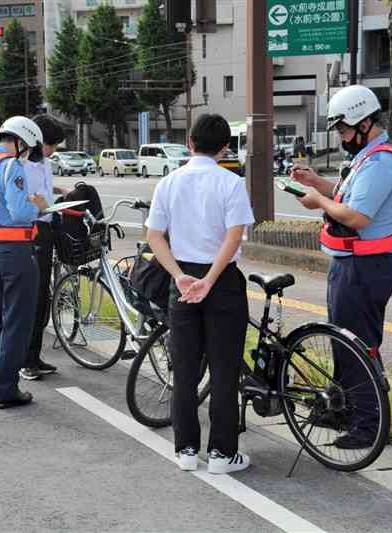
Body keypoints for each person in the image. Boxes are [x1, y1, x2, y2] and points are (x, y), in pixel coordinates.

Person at [291, 84, 392, 449]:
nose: (341, 138)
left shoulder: (380, 162)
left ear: (365, 123)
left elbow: (355, 215)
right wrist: (317, 184)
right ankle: (346, 410)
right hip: (353, 265)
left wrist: (319, 201)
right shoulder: (368, 157)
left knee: (358, 345)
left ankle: (368, 425)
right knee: (346, 341)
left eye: (343, 130)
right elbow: (348, 195)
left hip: (365, 268)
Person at [146, 114, 255, 474]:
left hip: (182, 281)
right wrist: (209, 279)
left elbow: (154, 236)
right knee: (224, 370)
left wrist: (179, 275)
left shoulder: (169, 182)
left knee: (185, 369)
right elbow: (234, 236)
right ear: (225, 147)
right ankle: (223, 454)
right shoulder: (231, 182)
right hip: (221, 281)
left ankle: (187, 450)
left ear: (189, 142)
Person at [0, 116, 49, 409]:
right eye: (28, 149)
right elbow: (19, 213)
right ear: (21, 141)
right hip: (15, 249)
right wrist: (40, 208)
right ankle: (6, 389)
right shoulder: (10, 164)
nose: (27, 155)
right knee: (17, 321)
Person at [18, 114, 68, 381]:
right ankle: (25, 359)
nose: (53, 150)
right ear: (37, 141)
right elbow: (27, 203)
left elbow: (45, 194)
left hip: (45, 230)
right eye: (52, 144)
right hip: (32, 233)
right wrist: (43, 206)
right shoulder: (22, 166)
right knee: (34, 297)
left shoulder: (44, 164)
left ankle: (34, 355)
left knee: (43, 297)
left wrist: (61, 195)